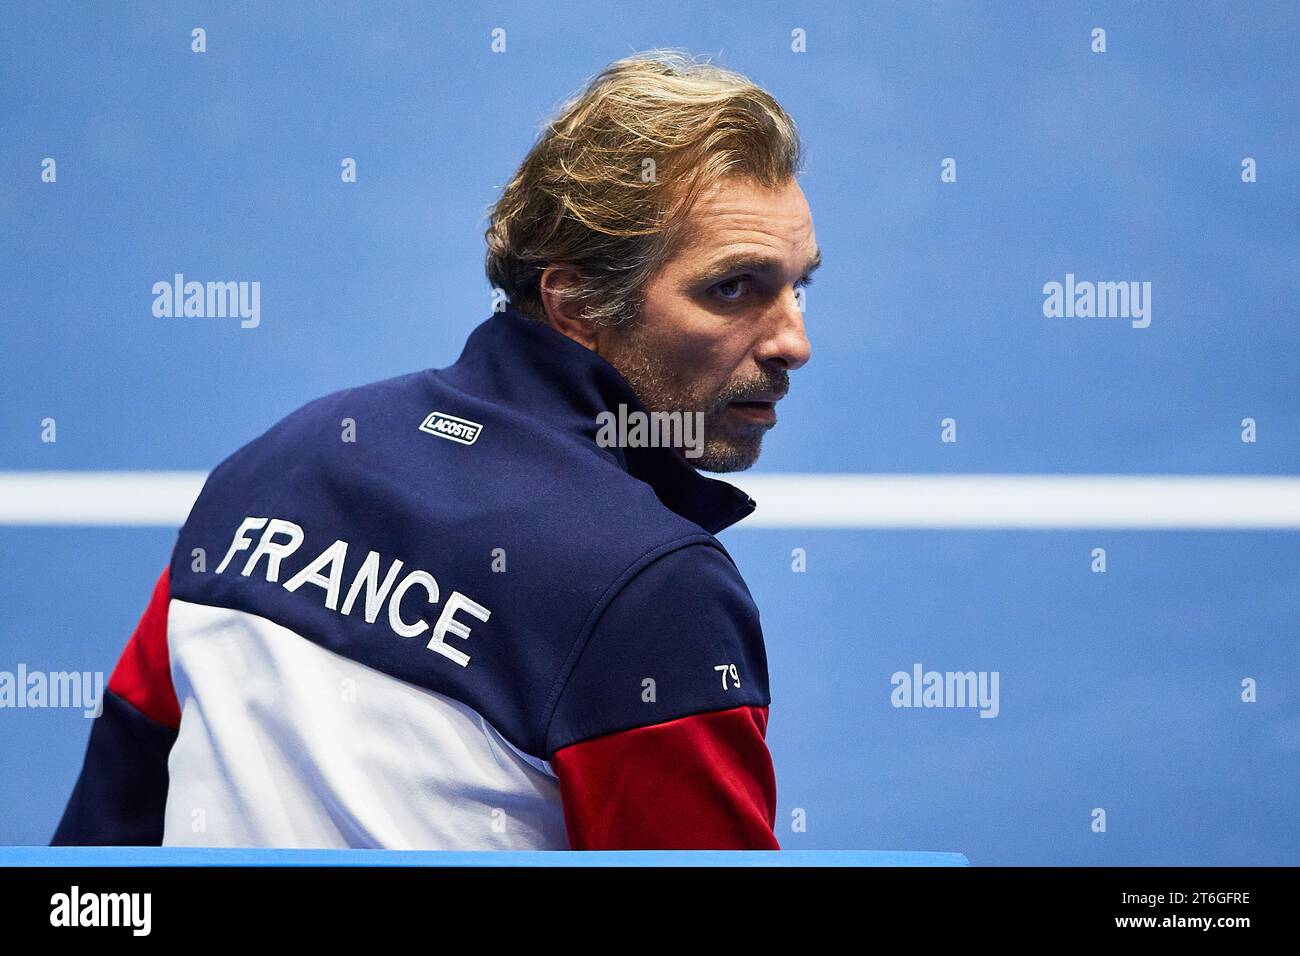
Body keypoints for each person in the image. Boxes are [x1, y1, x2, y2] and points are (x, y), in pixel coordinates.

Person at [52, 49, 819, 850]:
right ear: (576, 305)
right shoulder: (653, 591)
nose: (793, 341)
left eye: (799, 286)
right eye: (732, 288)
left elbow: (100, 849)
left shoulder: (272, 466)